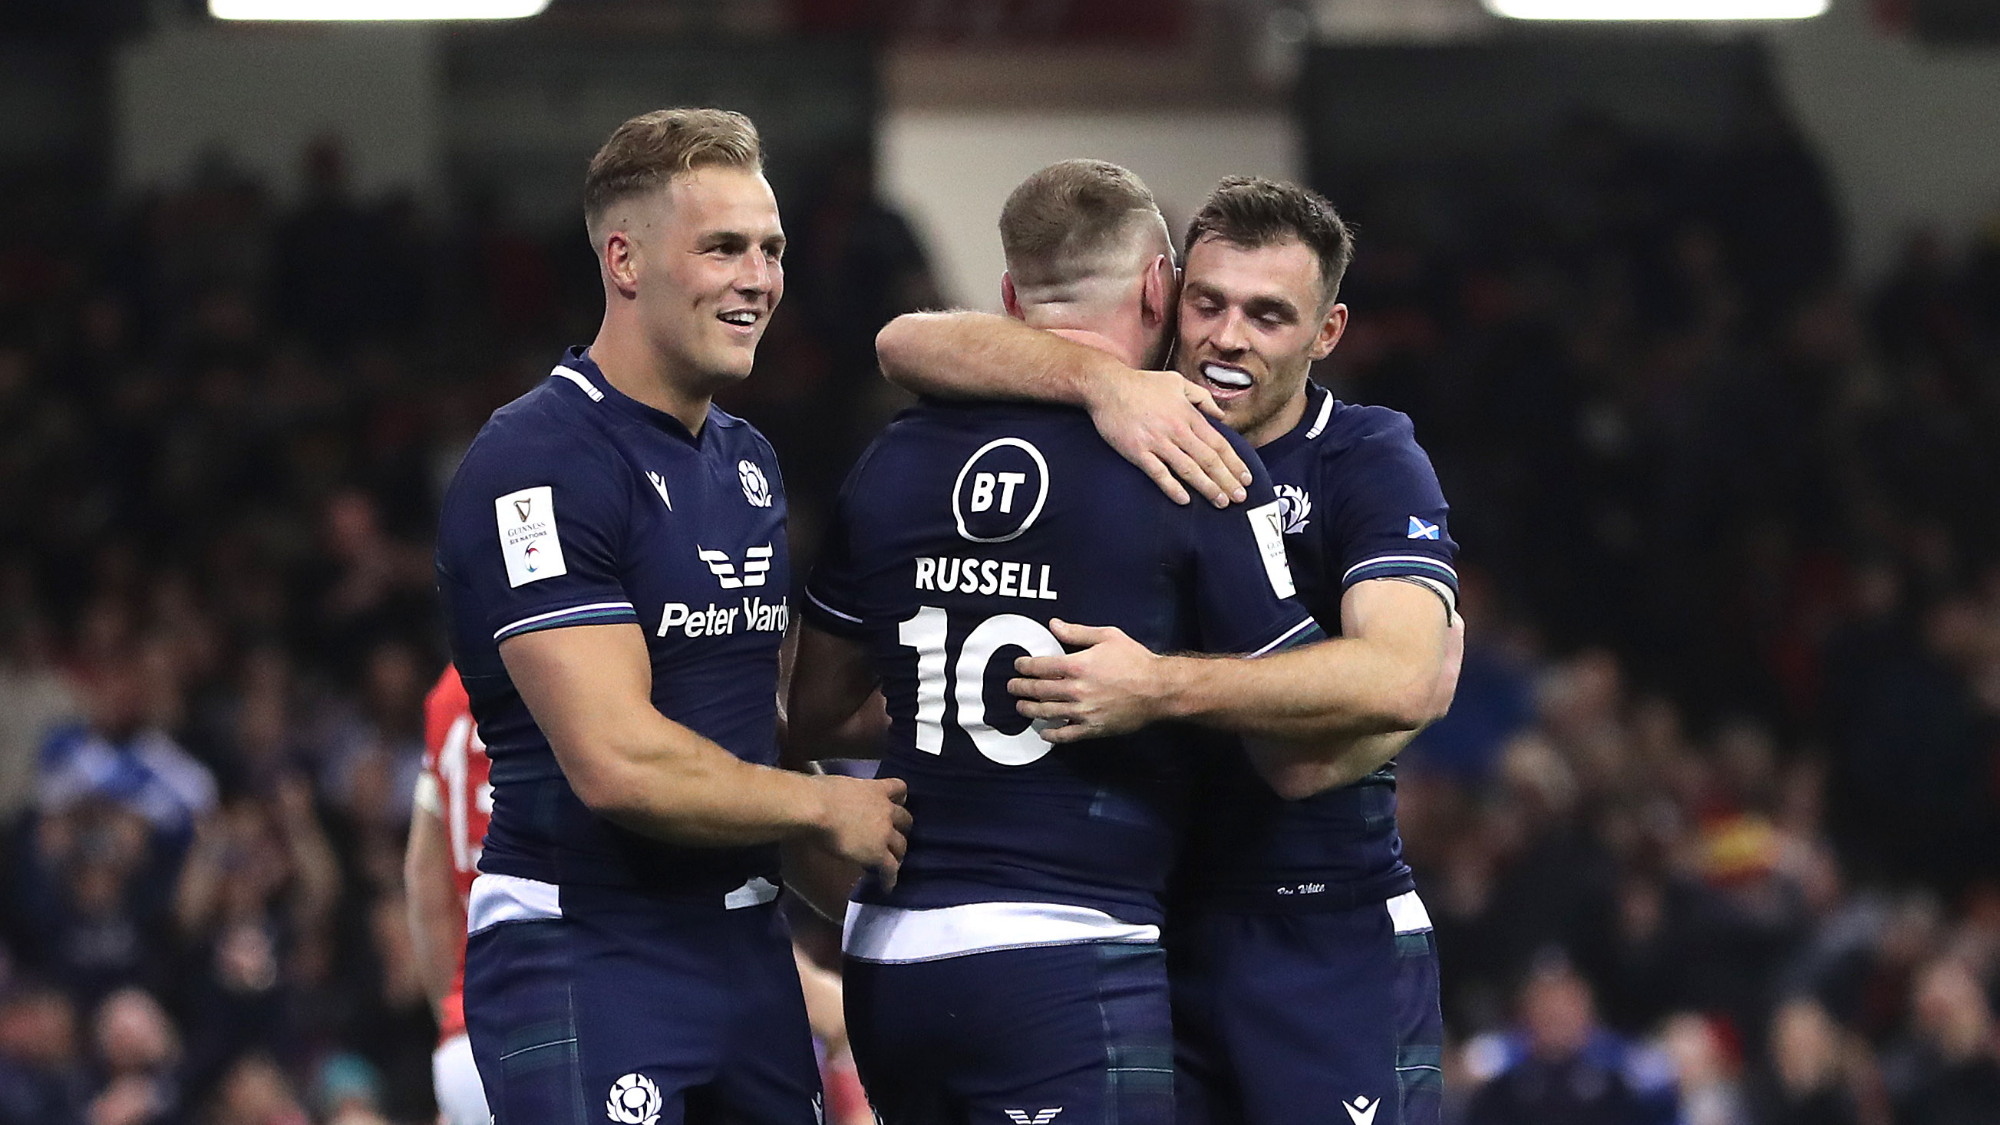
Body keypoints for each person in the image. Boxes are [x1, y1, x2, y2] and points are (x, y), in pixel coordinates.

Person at [874, 175, 1462, 1125]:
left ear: (1328, 333)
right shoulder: (1124, 434)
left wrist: (1159, 686)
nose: (1229, 336)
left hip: (1318, 927)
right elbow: (905, 340)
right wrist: (1102, 379)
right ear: (1167, 294)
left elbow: (1394, 674)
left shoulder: (1367, 454)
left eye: (1271, 315)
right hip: (1143, 929)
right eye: (1211, 302)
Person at [788, 160, 1322, 1125]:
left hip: (888, 963)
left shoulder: (892, 458)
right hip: (1067, 959)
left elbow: (813, 710)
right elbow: (1298, 728)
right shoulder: (1190, 454)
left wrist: (950, 694)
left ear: (1007, 298)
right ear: (1159, 288)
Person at [432, 107, 910, 1125]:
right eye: (723, 247)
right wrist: (828, 806)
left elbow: (745, 727)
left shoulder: (746, 462)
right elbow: (620, 762)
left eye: (771, 250)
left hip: (741, 944)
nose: (759, 277)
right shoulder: (539, 460)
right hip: (584, 948)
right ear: (625, 260)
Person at [402, 665, 490, 1125]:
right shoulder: (583, 652)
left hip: (470, 1036)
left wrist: (455, 1017)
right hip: (575, 1018)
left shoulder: (449, 692)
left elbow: (425, 883)